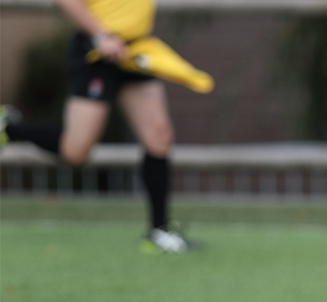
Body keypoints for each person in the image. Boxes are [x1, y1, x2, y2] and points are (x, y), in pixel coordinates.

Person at [2, 0, 190, 253]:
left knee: (160, 136)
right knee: (76, 151)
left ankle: (159, 231)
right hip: (99, 52)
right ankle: (7, 130)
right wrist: (101, 35)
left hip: (136, 50)